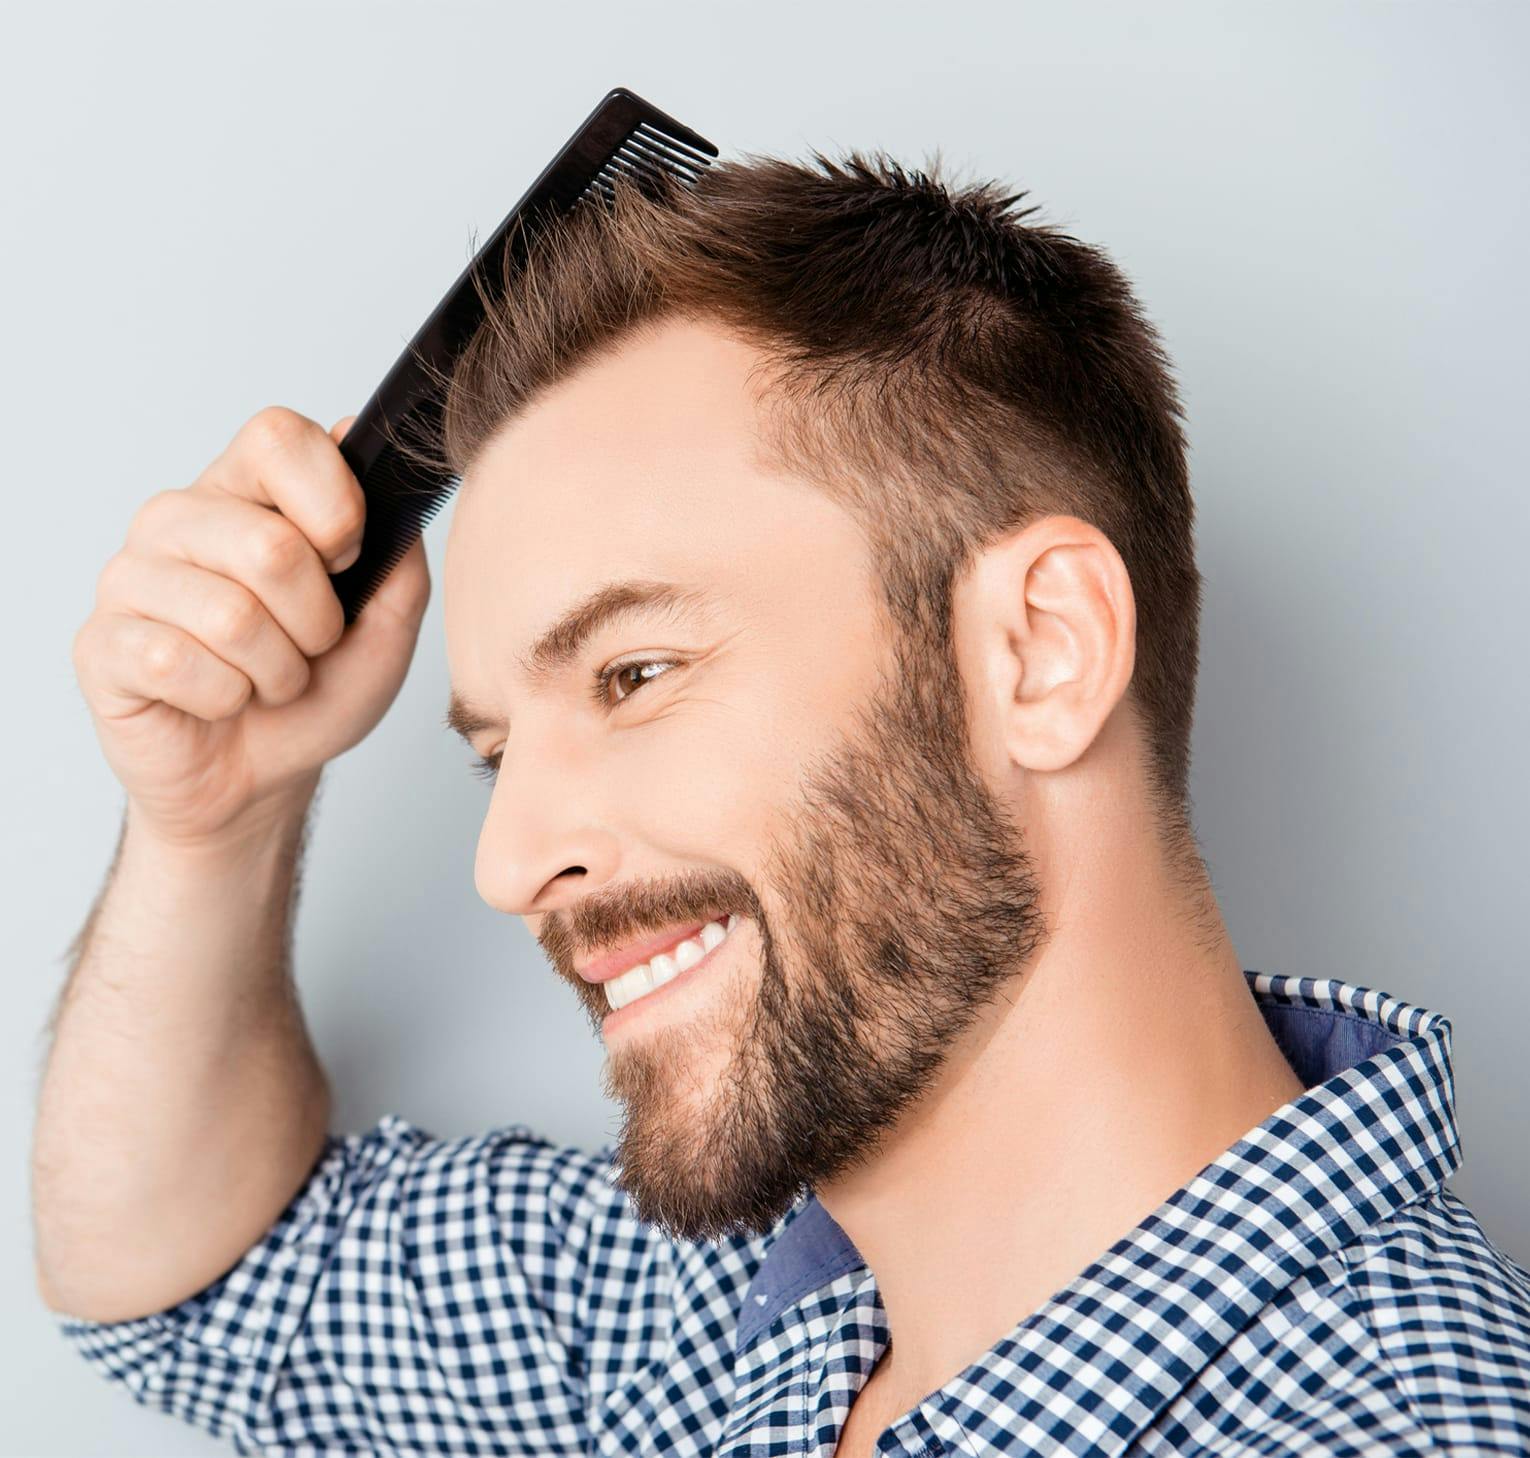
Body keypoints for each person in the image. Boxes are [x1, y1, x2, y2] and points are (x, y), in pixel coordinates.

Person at [34, 150, 1530, 1458]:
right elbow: (201, 1288)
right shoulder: (745, 1325)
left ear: (1040, 650)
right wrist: (214, 820)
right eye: (497, 751)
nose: (507, 860)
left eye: (632, 673)